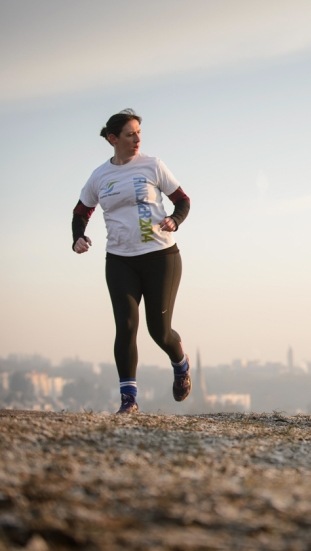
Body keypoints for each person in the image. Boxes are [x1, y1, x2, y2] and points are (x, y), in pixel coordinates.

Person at [72, 109, 192, 414]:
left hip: (160, 257)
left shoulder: (153, 165)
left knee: (158, 330)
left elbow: (183, 200)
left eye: (139, 132)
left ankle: (180, 364)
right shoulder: (100, 176)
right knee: (125, 325)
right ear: (113, 139)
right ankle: (129, 400)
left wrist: (174, 220)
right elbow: (81, 212)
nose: (137, 139)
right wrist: (78, 237)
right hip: (120, 260)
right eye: (129, 134)